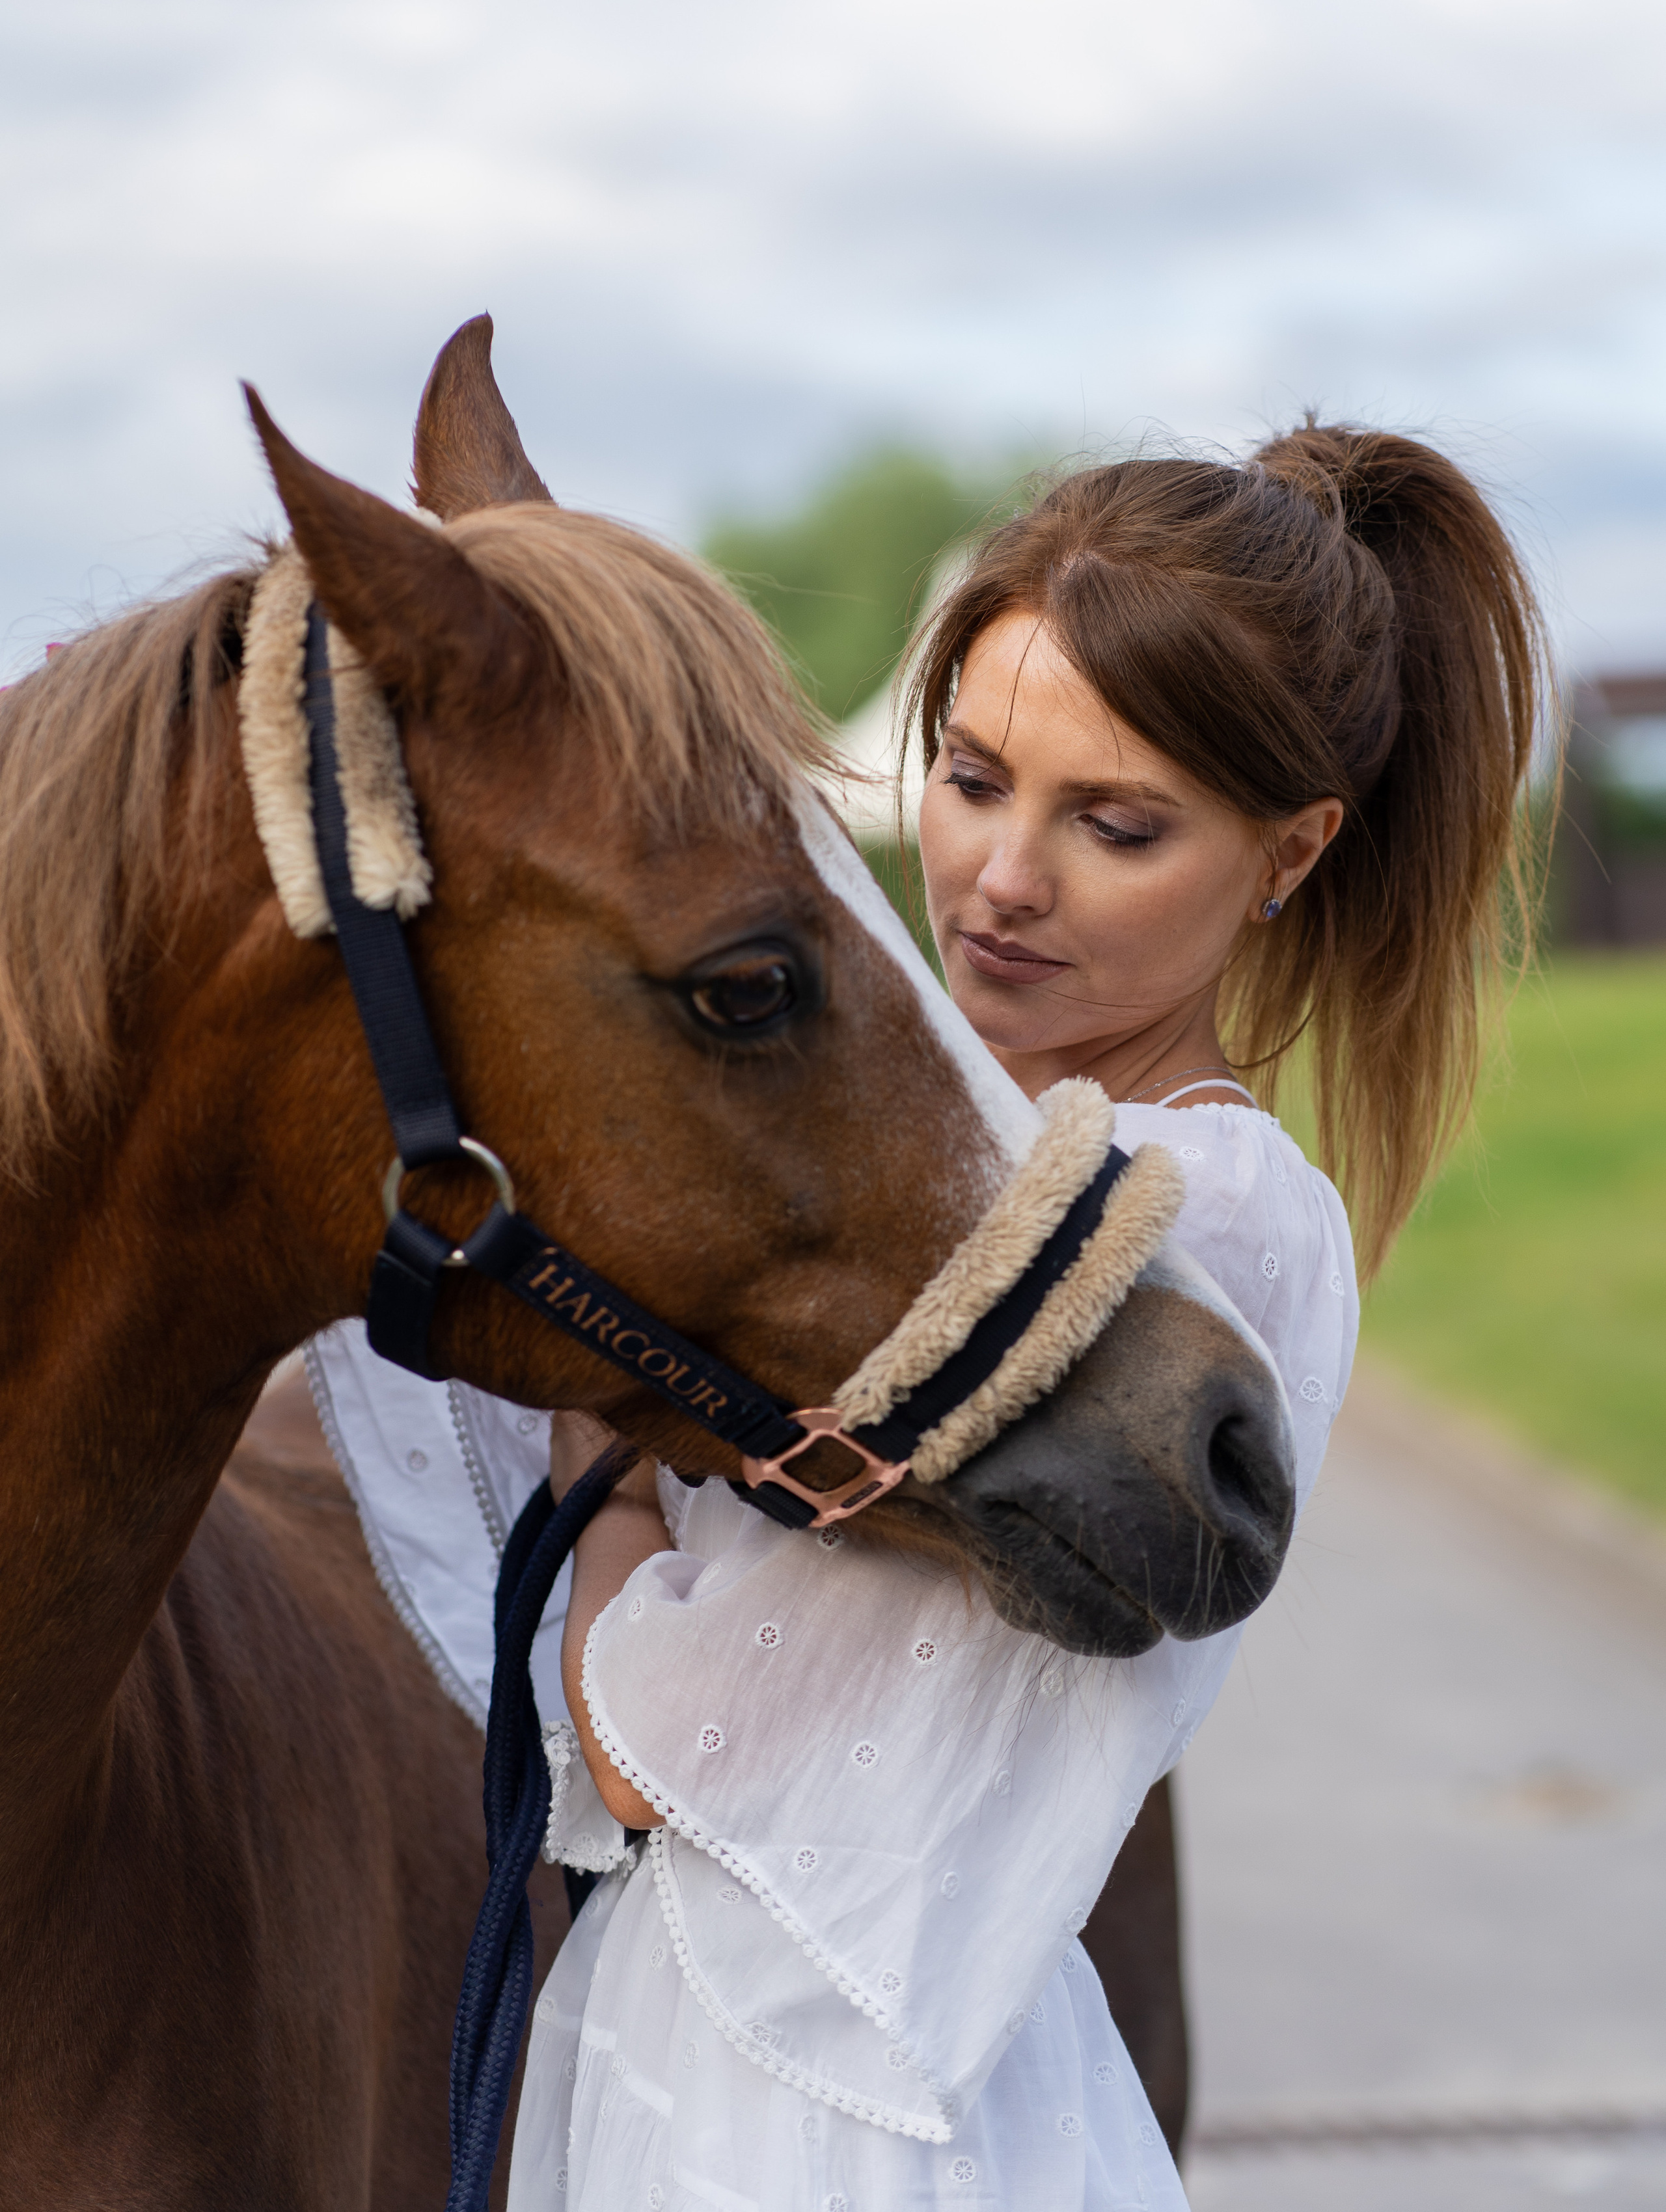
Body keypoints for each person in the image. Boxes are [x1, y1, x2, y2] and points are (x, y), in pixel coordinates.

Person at [506, 422, 1550, 2211]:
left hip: (826, 2124)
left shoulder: (1184, 1218)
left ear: (1290, 853)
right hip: (713, 2054)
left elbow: (654, 1756)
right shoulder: (970, 1167)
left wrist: (601, 1462)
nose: (999, 877)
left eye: (1115, 825)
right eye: (974, 778)